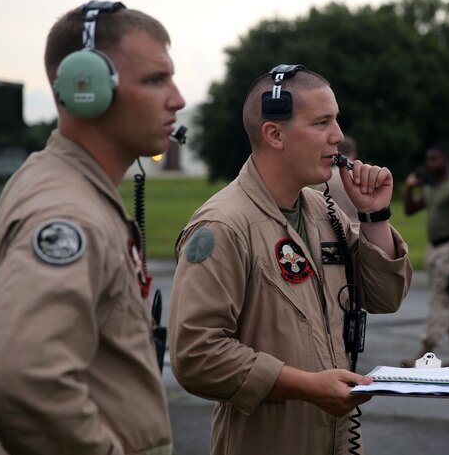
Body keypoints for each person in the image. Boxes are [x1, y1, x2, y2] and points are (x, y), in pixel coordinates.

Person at [0, 1, 185, 455]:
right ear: (85, 87)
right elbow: (21, 376)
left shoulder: (61, 184)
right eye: (155, 79)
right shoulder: (68, 215)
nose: (178, 98)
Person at [169, 65, 412, 455]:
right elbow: (196, 356)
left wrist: (373, 216)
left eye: (336, 120)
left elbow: (386, 298)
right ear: (275, 134)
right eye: (322, 122)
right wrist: (304, 386)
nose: (338, 136)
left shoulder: (322, 211)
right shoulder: (223, 226)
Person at [400, 145, 449, 366]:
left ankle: (425, 352)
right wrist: (410, 188)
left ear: (447, 160)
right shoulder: (432, 187)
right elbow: (410, 210)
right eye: (429, 160)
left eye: (436, 160)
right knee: (448, 300)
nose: (431, 164)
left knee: (439, 301)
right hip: (434, 249)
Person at [314, 135, 359, 223]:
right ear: (354, 153)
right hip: (361, 227)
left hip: (333, 229)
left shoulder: (323, 179)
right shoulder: (362, 176)